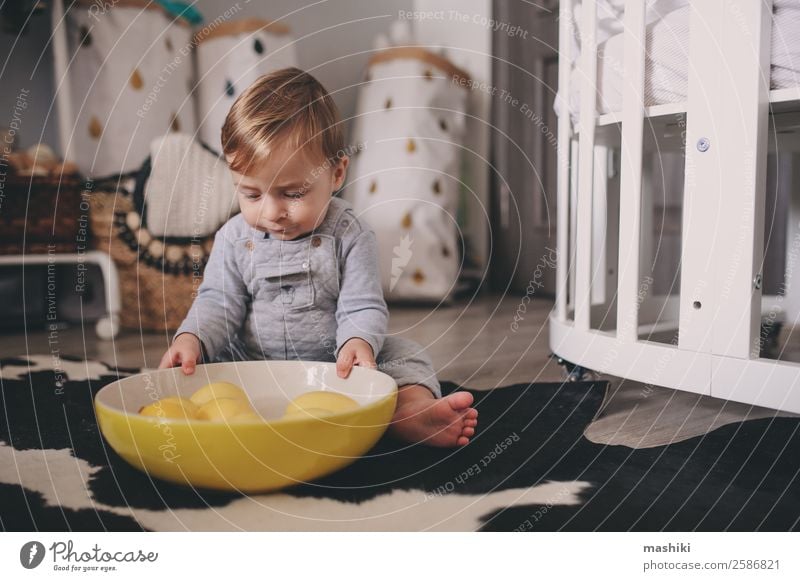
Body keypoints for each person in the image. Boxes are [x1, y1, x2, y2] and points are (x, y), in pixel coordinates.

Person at [158, 67, 478, 447]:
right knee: (201, 364)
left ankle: (410, 412)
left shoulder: (350, 234)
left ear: (337, 173)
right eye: (252, 194)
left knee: (404, 355)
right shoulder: (232, 239)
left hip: (333, 366)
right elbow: (218, 301)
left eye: (293, 194)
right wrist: (192, 337)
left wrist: (357, 343)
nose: (271, 211)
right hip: (250, 365)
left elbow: (362, 305)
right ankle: (215, 415)